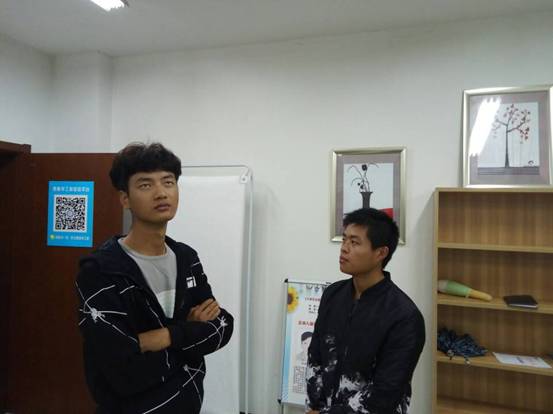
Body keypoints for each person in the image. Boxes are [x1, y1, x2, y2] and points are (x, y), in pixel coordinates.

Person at [76, 142, 233, 414]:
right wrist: (190, 334)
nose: (161, 193)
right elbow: (121, 370)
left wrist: (164, 336)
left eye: (168, 182)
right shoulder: (101, 270)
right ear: (125, 199)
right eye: (146, 185)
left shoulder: (186, 258)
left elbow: (222, 326)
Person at [306, 208, 425, 414]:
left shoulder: (404, 316)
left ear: (381, 253)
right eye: (344, 239)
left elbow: (386, 391)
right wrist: (316, 406)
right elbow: (315, 357)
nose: (344, 248)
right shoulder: (333, 295)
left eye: (354, 242)